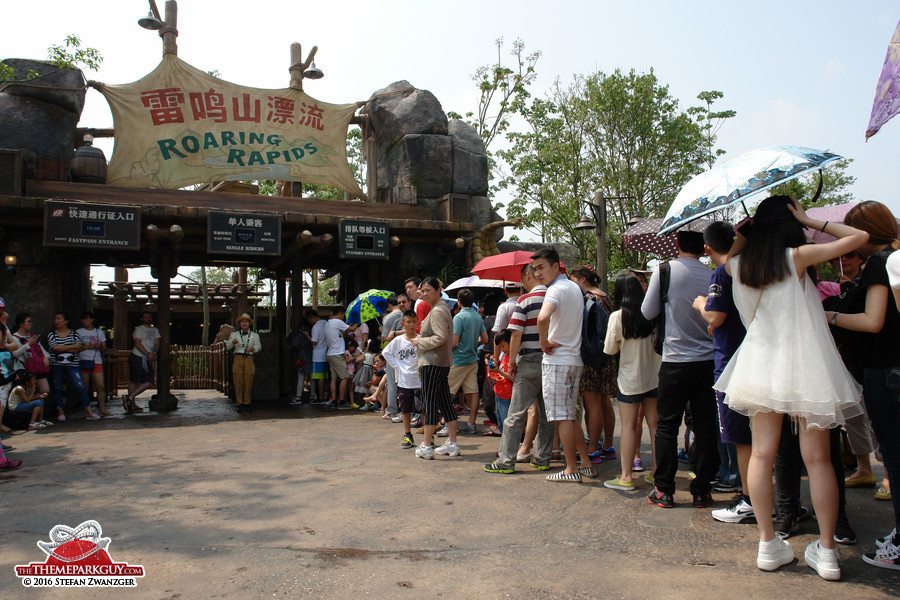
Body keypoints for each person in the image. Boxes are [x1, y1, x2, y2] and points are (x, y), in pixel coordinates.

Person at [714, 195, 867, 580]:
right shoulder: (795, 258)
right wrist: (812, 219)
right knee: (817, 460)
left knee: (762, 455)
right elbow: (859, 237)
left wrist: (743, 233)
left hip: (759, 365)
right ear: (789, 223)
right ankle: (827, 551)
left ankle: (768, 544)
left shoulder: (734, 265)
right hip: (804, 365)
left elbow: (727, 253)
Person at [824, 200, 900, 570]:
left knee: (896, 458)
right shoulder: (891, 260)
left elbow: (872, 322)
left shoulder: (879, 265)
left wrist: (831, 315)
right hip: (889, 368)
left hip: (886, 370)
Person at [641, 230, 717, 508]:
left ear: (676, 245)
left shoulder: (664, 270)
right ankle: (702, 490)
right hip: (708, 361)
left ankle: (665, 490)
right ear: (705, 248)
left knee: (667, 426)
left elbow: (647, 312)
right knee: (706, 426)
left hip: (675, 360)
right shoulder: (713, 274)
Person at [691, 222, 752, 522]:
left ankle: (749, 499)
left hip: (730, 363)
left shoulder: (722, 272)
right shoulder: (752, 267)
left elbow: (715, 314)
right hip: (755, 358)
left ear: (707, 249)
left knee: (740, 438)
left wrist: (702, 304)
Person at [484, 262, 554, 474]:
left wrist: (511, 362)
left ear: (527, 276)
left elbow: (515, 333)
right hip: (551, 361)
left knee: (515, 414)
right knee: (545, 414)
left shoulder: (525, 300)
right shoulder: (554, 297)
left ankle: (506, 461)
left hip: (529, 360)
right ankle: (542, 457)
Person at [532, 247, 591, 482]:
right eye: (535, 269)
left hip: (558, 360)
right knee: (570, 415)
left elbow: (542, 317)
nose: (537, 273)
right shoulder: (574, 287)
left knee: (562, 416)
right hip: (574, 359)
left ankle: (570, 469)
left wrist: (543, 341)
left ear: (556, 266)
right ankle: (584, 463)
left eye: (541, 267)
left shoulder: (555, 289)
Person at [603, 272, 660, 491]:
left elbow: (610, 349)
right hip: (653, 376)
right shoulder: (652, 313)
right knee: (654, 425)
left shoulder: (618, 317)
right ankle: (657, 472)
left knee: (628, 426)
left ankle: (626, 477)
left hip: (629, 380)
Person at [570, 265, 618, 464]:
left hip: (592, 357)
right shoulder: (605, 297)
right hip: (607, 355)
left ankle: (592, 450)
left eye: (574, 281)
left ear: (582, 279)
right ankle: (607, 445)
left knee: (593, 404)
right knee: (605, 402)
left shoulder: (589, 299)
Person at [412, 277, 460, 459]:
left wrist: (419, 341)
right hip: (441, 362)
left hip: (433, 362)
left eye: (427, 290)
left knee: (429, 402)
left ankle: (426, 446)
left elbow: (441, 337)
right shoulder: (441, 309)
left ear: (438, 290)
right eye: (422, 290)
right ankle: (452, 443)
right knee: (444, 402)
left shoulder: (438, 311)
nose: (423, 294)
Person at [47, 311, 100, 421]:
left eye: (59, 318)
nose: (56, 321)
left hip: (72, 364)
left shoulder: (74, 333)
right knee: (57, 387)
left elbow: (79, 347)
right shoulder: (52, 334)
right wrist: (71, 347)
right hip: (57, 364)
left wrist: (62, 347)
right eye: (55, 319)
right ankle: (60, 411)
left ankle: (89, 410)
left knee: (80, 386)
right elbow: (54, 348)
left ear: (66, 321)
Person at [448, 288, 488, 435]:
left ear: (459, 301)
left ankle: (447, 423)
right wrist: (473, 343)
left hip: (458, 359)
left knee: (447, 391)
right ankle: (471, 423)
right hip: (472, 359)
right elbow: (485, 339)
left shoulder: (458, 318)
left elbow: (453, 342)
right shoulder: (477, 317)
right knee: (473, 391)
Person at [383, 310, 422, 449]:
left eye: (414, 322)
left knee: (422, 409)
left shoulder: (420, 338)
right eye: (408, 322)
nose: (412, 325)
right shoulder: (398, 341)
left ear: (418, 323)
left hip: (419, 380)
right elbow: (386, 353)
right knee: (405, 409)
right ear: (403, 324)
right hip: (404, 381)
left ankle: (428, 436)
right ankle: (407, 434)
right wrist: (397, 366)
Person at [124, 311, 160, 413]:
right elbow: (137, 343)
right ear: (142, 319)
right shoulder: (139, 329)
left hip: (149, 356)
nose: (148, 319)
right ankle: (131, 403)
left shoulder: (155, 330)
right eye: (145, 317)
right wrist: (147, 353)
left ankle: (130, 398)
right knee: (134, 380)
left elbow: (157, 343)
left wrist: (153, 353)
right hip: (138, 356)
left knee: (149, 381)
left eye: (149, 317)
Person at [76, 311, 110, 416]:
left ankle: (102, 409)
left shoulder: (99, 332)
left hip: (96, 360)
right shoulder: (78, 332)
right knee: (84, 386)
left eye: (87, 319)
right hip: (83, 359)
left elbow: (104, 347)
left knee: (101, 386)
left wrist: (98, 346)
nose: (85, 321)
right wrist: (86, 347)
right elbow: (75, 346)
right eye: (83, 319)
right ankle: (86, 408)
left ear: (92, 319)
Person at [11, 313, 51, 399]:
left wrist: (46, 357)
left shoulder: (32, 336)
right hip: (25, 368)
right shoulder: (14, 338)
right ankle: (32, 408)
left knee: (45, 390)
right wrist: (28, 344)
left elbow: (42, 350)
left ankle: (37, 406)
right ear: (21, 324)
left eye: (31, 321)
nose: (30, 323)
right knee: (29, 393)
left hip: (38, 366)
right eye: (28, 321)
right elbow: (15, 354)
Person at [324, 306, 358, 409]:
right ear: (340, 314)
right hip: (337, 354)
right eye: (343, 315)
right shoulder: (337, 322)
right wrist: (357, 322)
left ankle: (334, 400)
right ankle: (341, 401)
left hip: (330, 353)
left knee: (334, 378)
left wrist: (347, 327)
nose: (343, 317)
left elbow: (340, 333)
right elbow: (351, 329)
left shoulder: (328, 324)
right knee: (345, 377)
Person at [229, 313, 261, 413]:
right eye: (242, 321)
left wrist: (252, 348)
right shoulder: (234, 335)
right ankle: (239, 403)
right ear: (239, 323)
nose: (244, 323)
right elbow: (227, 346)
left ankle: (247, 402)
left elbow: (258, 346)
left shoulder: (254, 335)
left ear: (249, 323)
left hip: (249, 358)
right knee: (237, 380)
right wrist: (232, 343)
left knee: (248, 380)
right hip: (238, 357)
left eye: (246, 321)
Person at [486, 329, 514, 432]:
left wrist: (498, 371)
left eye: (503, 346)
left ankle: (507, 441)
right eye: (500, 347)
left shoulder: (513, 360)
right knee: (501, 420)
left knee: (506, 421)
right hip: (499, 392)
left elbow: (512, 378)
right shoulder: (505, 357)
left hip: (507, 395)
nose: (501, 349)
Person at [304, 309, 329, 404]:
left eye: (309, 320)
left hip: (318, 355)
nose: (309, 322)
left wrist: (307, 335)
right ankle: (327, 395)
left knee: (320, 377)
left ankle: (321, 397)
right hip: (326, 353)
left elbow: (314, 341)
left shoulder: (316, 327)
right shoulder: (326, 323)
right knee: (326, 377)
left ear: (311, 318)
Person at [290, 320, 314, 405]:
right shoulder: (313, 333)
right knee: (312, 378)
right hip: (312, 355)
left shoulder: (300, 334)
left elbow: (294, 344)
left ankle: (298, 397)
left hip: (302, 356)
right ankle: (312, 396)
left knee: (300, 378)